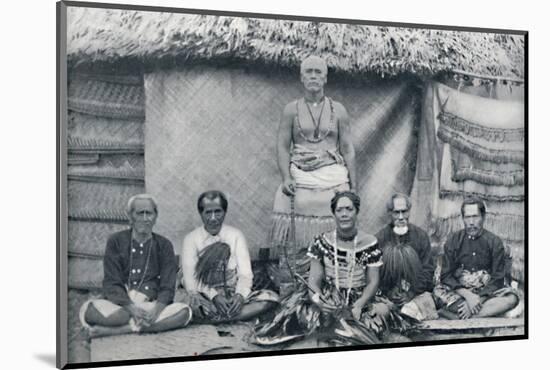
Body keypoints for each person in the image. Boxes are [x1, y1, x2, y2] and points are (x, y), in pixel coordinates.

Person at [270, 55, 357, 292]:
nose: (313, 76)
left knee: (338, 233)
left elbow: (347, 148)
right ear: (301, 77)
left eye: (318, 72)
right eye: (309, 71)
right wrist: (286, 177)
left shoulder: (338, 110)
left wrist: (352, 188)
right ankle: (292, 289)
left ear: (326, 77)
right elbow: (281, 145)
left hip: (333, 176)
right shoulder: (291, 110)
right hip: (300, 174)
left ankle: (333, 288)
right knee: (293, 237)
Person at [254, 192, 384, 346]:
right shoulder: (322, 241)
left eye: (349, 209)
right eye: (339, 210)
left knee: (373, 320)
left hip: (359, 296)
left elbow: (373, 281)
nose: (344, 214)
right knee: (305, 316)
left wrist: (359, 305)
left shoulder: (369, 242)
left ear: (357, 212)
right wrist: (320, 302)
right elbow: (313, 282)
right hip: (329, 295)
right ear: (333, 214)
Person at [79, 194, 192, 338]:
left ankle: (120, 330)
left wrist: (156, 310)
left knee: (184, 313)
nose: (145, 218)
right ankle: (138, 325)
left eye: (149, 213)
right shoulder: (115, 241)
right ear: (130, 217)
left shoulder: (164, 245)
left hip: (150, 306)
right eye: (140, 213)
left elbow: (167, 285)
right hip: (121, 305)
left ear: (155, 217)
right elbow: (111, 282)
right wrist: (131, 308)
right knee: (88, 310)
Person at [181, 190, 278, 323]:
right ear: (201, 214)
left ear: (225, 212)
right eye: (208, 213)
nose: (214, 218)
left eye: (218, 212)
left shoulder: (235, 235)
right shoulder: (191, 239)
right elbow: (191, 280)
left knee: (271, 298)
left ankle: (218, 318)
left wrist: (239, 297)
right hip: (205, 295)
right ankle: (229, 317)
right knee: (190, 304)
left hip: (231, 295)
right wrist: (214, 296)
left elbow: (245, 275)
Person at [435, 196, 519, 319]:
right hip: (460, 292)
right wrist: (468, 296)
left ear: (483, 217)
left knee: (512, 299)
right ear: (463, 218)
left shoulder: (494, 242)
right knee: (437, 294)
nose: (471, 222)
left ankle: (460, 316)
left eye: (475, 216)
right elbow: (446, 276)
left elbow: (497, 279)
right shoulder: (453, 241)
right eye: (467, 217)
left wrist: (478, 299)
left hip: (487, 293)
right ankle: (481, 313)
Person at [375, 193, 435, 305]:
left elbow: (428, 270)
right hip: (387, 295)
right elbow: (375, 274)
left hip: (416, 293)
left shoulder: (421, 236)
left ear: (409, 211)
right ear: (390, 213)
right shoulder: (380, 239)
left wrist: (412, 293)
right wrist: (388, 292)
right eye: (396, 212)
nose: (401, 217)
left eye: (404, 211)